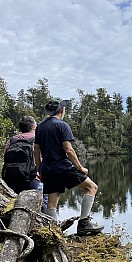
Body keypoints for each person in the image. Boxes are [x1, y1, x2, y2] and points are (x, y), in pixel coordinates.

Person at [34, 97, 104, 236]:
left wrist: (39, 169)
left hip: (47, 169)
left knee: (52, 203)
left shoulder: (40, 126)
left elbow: (36, 150)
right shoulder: (62, 125)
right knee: (92, 187)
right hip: (62, 167)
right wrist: (80, 167)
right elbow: (69, 149)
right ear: (62, 110)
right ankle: (84, 223)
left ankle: (53, 233)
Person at [2, 115, 48, 212]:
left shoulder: (12, 140)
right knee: (42, 205)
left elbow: (5, 157)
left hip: (11, 180)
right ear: (33, 127)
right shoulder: (37, 139)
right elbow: (43, 158)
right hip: (32, 179)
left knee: (15, 206)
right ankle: (42, 224)